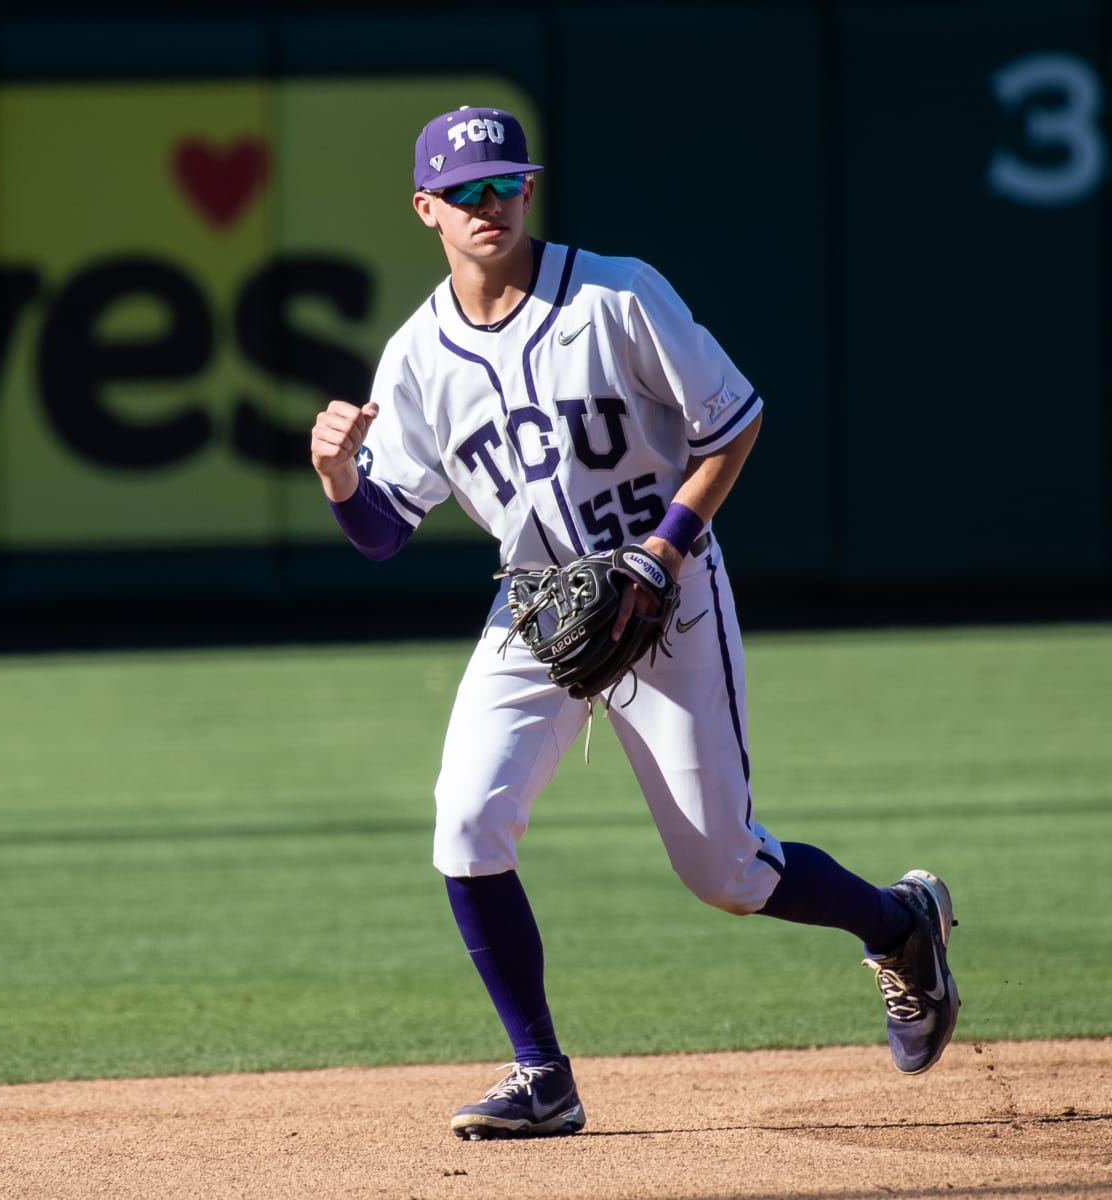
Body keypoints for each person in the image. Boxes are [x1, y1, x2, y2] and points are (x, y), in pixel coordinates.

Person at [309, 105, 960, 1141]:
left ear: (528, 190)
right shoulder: (416, 356)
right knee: (467, 824)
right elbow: (385, 531)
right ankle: (541, 1076)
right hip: (532, 605)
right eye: (467, 191)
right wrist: (340, 473)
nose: (491, 205)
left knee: (728, 874)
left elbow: (733, 423)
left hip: (669, 589)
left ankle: (900, 924)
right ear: (425, 207)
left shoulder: (616, 292)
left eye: (506, 184)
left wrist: (662, 552)